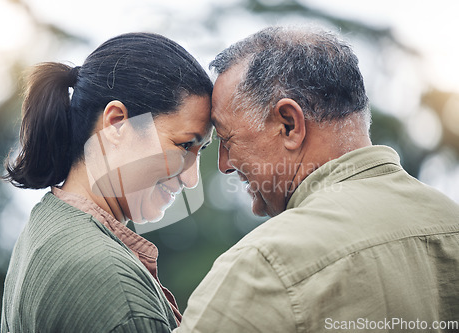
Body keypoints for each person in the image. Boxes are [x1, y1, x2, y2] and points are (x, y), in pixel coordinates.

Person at [175, 26, 459, 332]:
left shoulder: (265, 266)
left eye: (227, 139)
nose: (224, 165)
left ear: (289, 124)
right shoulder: (451, 224)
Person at [0, 32, 213, 332]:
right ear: (117, 123)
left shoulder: (46, 226)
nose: (191, 179)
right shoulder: (115, 287)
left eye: (201, 150)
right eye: (183, 145)